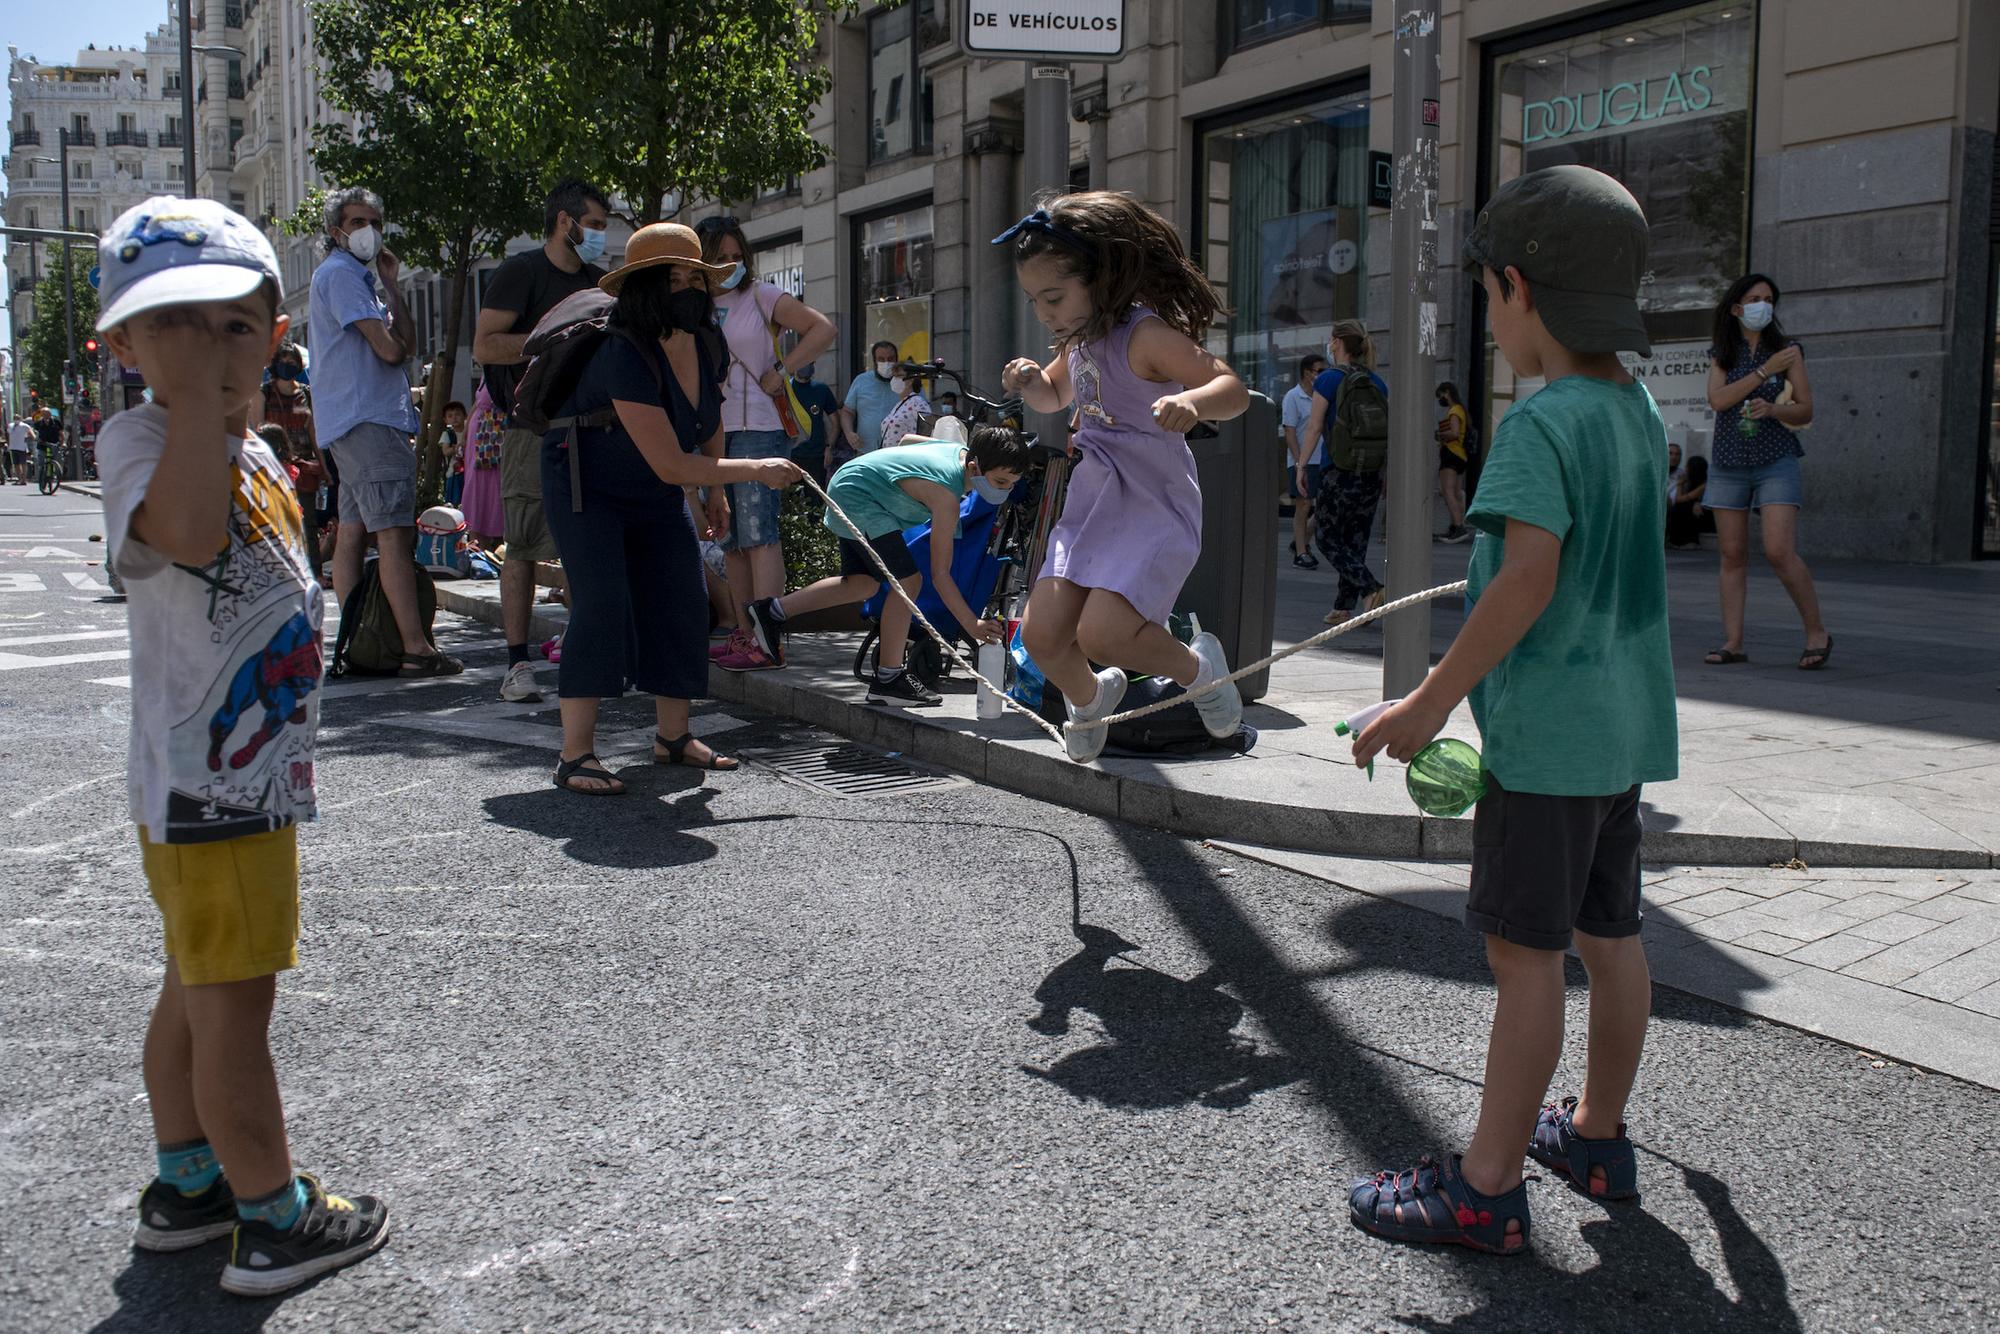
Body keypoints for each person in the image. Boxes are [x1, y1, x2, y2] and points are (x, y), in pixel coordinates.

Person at [1346, 165, 1677, 1256]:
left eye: (1489, 296)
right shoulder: (1630, 406)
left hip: (1542, 743)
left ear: (1516, 289)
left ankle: (1484, 1186)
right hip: (1621, 729)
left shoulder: (1540, 427)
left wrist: (1425, 705)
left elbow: (1522, 581)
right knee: (1609, 935)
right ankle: (1594, 1133)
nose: (1492, 319)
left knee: (1523, 956)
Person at [93, 196, 389, 1295]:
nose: (209, 348)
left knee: (196, 982)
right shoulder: (143, 441)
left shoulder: (250, 442)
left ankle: (187, 1183)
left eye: (233, 325)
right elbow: (191, 534)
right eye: (171, 323)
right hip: (210, 789)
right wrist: (190, 412)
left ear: (274, 333)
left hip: (235, 777)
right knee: (236, 1001)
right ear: (121, 344)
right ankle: (271, 1212)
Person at [541, 222, 801, 795]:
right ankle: (575, 754)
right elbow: (671, 465)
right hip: (587, 482)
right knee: (602, 603)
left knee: (683, 598)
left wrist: (717, 490)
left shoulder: (706, 339)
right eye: (673, 278)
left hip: (652, 486)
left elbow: (708, 421)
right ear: (644, 288)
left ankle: (673, 737)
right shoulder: (621, 352)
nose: (687, 288)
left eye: (695, 277)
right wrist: (753, 471)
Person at [995, 193, 1251, 764]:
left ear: (1101, 276)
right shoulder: (1080, 342)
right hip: (1093, 503)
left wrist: (1193, 401)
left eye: (1054, 297)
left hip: (1151, 501)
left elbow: (1230, 388)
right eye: (1035, 300)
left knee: (1104, 635)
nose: (1044, 313)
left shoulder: (1146, 334)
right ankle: (1090, 700)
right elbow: (1056, 395)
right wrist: (1031, 380)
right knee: (1040, 634)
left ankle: (1199, 670)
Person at [740, 427, 1030, 705]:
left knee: (863, 583)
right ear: (974, 467)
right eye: (1000, 482)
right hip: (858, 497)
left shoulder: (958, 450)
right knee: (910, 581)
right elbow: (940, 574)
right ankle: (888, 679)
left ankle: (771, 611)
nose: (1004, 491)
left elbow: (906, 440)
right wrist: (972, 624)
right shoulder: (946, 498)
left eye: (1012, 484)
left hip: (853, 483)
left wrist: (885, 471)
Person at [308, 186, 461, 676]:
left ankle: (361, 639)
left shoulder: (360, 279)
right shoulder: (343, 276)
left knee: (354, 530)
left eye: (374, 220)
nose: (369, 230)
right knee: (393, 533)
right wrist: (384, 298)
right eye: (357, 222)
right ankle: (415, 648)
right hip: (369, 419)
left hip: (353, 421)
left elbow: (405, 343)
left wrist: (392, 284)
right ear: (335, 232)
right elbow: (393, 352)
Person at [472, 178, 612, 703]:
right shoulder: (521, 272)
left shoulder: (601, 281)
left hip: (593, 430)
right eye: (594, 225)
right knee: (525, 547)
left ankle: (587, 652)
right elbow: (487, 344)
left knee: (588, 545)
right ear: (564, 221)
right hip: (532, 430)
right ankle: (517, 664)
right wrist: (553, 340)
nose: (600, 234)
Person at [695, 217, 838, 672]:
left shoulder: (761, 295)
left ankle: (768, 639)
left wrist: (785, 369)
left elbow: (822, 329)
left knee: (760, 536)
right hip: (713, 430)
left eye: (737, 256)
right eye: (719, 257)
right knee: (732, 540)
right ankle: (743, 634)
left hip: (759, 425)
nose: (730, 265)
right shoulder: (692, 305)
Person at [1701, 273, 1832, 670]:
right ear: (1737, 308)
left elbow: (1806, 408)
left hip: (1776, 457)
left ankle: (1817, 633)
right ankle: (1733, 642)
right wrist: (1762, 373)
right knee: (1732, 554)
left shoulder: (1789, 351)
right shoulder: (1723, 351)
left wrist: (1774, 408)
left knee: (1778, 550)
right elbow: (1718, 400)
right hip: (1728, 460)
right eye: (1756, 298)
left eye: (1770, 299)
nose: (1765, 305)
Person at [1301, 319, 1391, 625]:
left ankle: (1372, 588)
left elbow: (1314, 428)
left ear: (1337, 342)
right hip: (1370, 472)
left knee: (1326, 537)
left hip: (1338, 470)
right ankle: (1344, 607)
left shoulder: (1327, 380)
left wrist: (1301, 465)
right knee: (1355, 540)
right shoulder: (1377, 383)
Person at [260, 342, 322, 573]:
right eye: (283, 360)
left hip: (303, 468)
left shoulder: (306, 393)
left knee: (307, 523)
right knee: (275, 521)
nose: (287, 365)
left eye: (292, 361)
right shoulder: (264, 393)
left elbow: (314, 432)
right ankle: (280, 571)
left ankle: (313, 572)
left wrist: (323, 466)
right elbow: (256, 429)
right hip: (273, 468)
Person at [1282, 352, 1327, 569]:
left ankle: (1300, 542)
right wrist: (1300, 462)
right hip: (1302, 461)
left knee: (1325, 507)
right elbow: (1289, 432)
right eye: (1320, 371)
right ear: (1307, 373)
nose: (1323, 375)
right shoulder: (1293, 397)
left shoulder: (1321, 395)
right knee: (1304, 505)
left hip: (1322, 459)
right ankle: (1301, 552)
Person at [839, 339, 903, 459]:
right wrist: (849, 433)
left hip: (898, 454)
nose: (887, 363)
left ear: (896, 360)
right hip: (866, 452)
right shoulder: (861, 381)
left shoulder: (907, 382)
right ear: (874, 361)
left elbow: (922, 413)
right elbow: (847, 411)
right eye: (881, 359)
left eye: (890, 359)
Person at [459, 387, 506, 551]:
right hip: (480, 433)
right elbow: (477, 402)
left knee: (496, 490)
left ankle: (498, 549)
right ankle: (476, 552)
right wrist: (465, 432)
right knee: (476, 491)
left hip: (496, 430)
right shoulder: (487, 370)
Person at [787, 362, 843, 487]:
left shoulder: (821, 389)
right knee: (789, 501)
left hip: (816, 456)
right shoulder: (786, 390)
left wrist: (829, 447)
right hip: (790, 455)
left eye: (810, 361)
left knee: (816, 501)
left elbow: (835, 423)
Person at [1436, 380, 1472, 542]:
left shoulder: (1454, 411)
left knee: (1447, 491)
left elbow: (1455, 433)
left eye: (1440, 395)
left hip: (1451, 453)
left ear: (1447, 392)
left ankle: (1458, 527)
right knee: (1456, 493)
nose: (1440, 399)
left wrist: (1440, 435)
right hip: (1461, 456)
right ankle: (1455, 526)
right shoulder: (1461, 410)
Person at [876, 367, 934, 448]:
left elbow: (928, 431)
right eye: (893, 376)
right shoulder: (899, 405)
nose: (894, 380)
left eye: (898, 376)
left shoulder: (917, 402)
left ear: (910, 380)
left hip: (906, 456)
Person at [1666, 454, 1710, 549]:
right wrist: (1681, 483)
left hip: (1705, 515)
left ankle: (1689, 541)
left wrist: (1680, 483)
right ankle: (1674, 540)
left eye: (1687, 466)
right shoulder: (1690, 482)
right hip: (1692, 511)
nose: (1685, 469)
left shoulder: (1704, 485)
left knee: (1681, 508)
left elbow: (1679, 499)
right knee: (1678, 508)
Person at [438, 400, 468, 506]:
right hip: (454, 472)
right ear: (445, 420)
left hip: (469, 471)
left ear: (465, 416)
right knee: (455, 500)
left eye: (457, 414)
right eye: (450, 416)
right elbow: (445, 451)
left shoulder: (469, 432)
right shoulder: (448, 434)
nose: (454, 418)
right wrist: (455, 448)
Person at [7, 414, 32, 484]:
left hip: (22, 447)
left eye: (17, 418)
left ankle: (24, 479)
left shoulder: (25, 426)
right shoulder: (10, 426)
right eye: (15, 418)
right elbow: (8, 435)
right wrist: (9, 444)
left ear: (20, 419)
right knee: (16, 464)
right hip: (13, 447)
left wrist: (27, 439)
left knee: (23, 463)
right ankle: (19, 479)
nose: (16, 419)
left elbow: (31, 434)